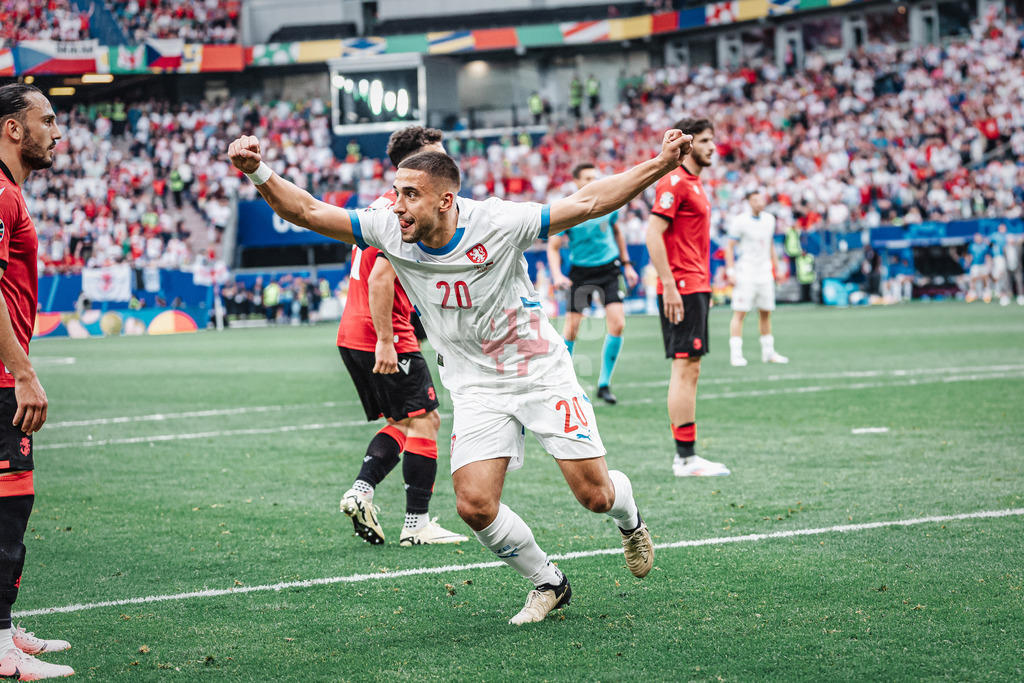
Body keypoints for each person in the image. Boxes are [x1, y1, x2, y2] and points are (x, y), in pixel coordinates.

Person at [227, 126, 693, 625]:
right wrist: (257, 170)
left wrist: (661, 164)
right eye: (395, 192)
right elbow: (309, 211)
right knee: (473, 504)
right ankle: (548, 582)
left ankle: (630, 520)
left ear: (446, 201)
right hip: (474, 384)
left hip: (538, 371)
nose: (397, 205)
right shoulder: (388, 227)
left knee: (595, 496)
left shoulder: (497, 221)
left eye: (410, 195)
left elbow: (588, 202)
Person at [335, 126, 467, 547]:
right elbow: (379, 278)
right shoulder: (405, 214)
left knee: (403, 422)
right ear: (413, 162)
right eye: (436, 155)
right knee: (427, 419)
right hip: (383, 333)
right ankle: (418, 525)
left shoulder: (379, 207)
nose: (446, 162)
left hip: (352, 331)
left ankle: (361, 491)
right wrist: (388, 339)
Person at [0, 83, 75, 680]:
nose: (57, 131)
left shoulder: (10, 194)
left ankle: (2, 627)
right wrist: (23, 372)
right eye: (46, 120)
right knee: (10, 500)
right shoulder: (0, 194)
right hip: (2, 378)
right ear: (12, 129)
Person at [645, 117, 731, 478]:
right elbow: (653, 234)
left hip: (696, 285)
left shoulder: (695, 184)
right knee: (684, 369)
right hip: (682, 285)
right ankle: (685, 458)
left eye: (713, 140)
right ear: (688, 143)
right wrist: (669, 285)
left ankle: (687, 456)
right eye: (706, 140)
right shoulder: (675, 182)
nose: (713, 147)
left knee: (691, 369)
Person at [546, 163, 639, 403]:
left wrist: (626, 263)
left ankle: (604, 384)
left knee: (618, 324)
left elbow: (617, 231)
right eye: (587, 178)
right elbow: (553, 247)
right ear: (575, 181)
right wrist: (557, 274)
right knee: (572, 329)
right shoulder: (568, 210)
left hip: (609, 269)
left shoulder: (608, 204)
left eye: (595, 178)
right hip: (581, 274)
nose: (592, 182)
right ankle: (563, 382)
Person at [724, 190, 788, 367]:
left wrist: (778, 267)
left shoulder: (769, 220)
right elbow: (729, 246)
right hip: (746, 272)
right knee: (740, 312)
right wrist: (731, 271)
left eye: (760, 198)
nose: (758, 202)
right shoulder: (740, 221)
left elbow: (770, 245)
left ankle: (769, 352)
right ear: (749, 202)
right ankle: (736, 354)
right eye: (754, 199)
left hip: (764, 272)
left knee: (766, 311)